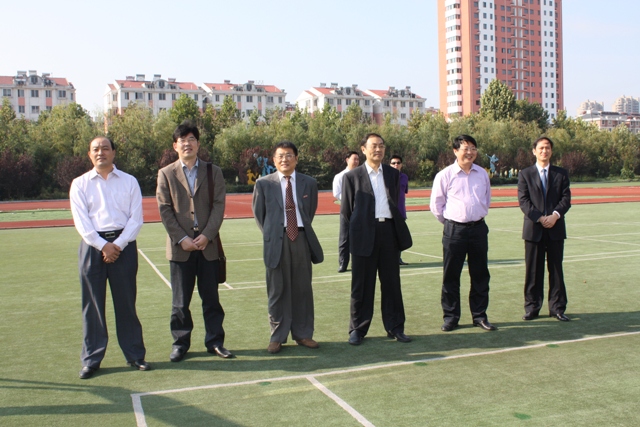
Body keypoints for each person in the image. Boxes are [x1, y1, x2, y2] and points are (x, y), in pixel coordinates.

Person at [70, 136, 149, 379]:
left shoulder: (129, 181)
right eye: (96, 149)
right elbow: (82, 222)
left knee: (126, 303)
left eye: (105, 148)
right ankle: (91, 359)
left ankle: (135, 355)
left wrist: (118, 245)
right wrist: (103, 246)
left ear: (114, 152)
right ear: (89, 154)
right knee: (92, 306)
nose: (100, 152)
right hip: (92, 247)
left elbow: (136, 219)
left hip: (123, 246)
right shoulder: (80, 184)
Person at [156, 121, 233, 362]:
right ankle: (180, 343)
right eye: (182, 140)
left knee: (211, 300)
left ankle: (215, 342)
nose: (187, 143)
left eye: (191, 139)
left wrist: (207, 235)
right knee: (180, 302)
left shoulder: (213, 171)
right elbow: (165, 210)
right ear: (175, 146)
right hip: (181, 249)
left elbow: (219, 206)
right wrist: (181, 238)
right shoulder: (166, 173)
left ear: (198, 144)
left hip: (207, 246)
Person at [252, 141, 324, 354]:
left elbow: (309, 212)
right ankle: (277, 336)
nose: (285, 159)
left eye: (289, 155)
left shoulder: (309, 183)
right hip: (276, 241)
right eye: (280, 156)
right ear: (274, 160)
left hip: (301, 239)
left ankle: (303, 334)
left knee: (302, 289)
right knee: (277, 290)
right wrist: (275, 234)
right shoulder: (263, 184)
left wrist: (297, 230)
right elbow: (260, 216)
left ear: (296, 159)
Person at [341, 133, 413, 345]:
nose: (378, 149)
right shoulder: (352, 177)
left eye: (381, 145)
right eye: (374, 146)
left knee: (392, 283)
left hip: (388, 232)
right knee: (362, 285)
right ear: (363, 149)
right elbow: (346, 213)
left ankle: (395, 327)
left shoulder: (392, 174)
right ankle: (357, 329)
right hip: (363, 234)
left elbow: (394, 203)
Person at [430, 135, 496, 332]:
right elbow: (436, 206)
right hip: (454, 230)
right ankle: (451, 317)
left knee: (480, 274)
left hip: (478, 229)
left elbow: (486, 200)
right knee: (451, 275)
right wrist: (451, 222)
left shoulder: (482, 174)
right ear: (455, 151)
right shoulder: (445, 175)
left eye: (473, 148)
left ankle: (479, 316)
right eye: (465, 148)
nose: (470, 152)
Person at [518, 137, 571, 321]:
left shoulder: (561, 174)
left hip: (555, 228)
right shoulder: (525, 174)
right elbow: (523, 201)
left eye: (547, 148)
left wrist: (555, 215)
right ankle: (532, 307)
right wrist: (540, 218)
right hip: (534, 229)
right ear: (534, 151)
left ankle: (557, 308)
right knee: (533, 271)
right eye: (541, 148)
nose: (544, 151)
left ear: (551, 151)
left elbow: (566, 199)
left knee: (556, 270)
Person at [333, 151, 360, 272]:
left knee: (359, 237)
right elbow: (336, 193)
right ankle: (343, 263)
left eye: (358, 159)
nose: (356, 161)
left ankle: (357, 263)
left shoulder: (361, 175)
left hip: (360, 210)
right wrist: (349, 200)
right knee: (344, 237)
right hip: (346, 209)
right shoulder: (340, 176)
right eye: (354, 159)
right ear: (347, 160)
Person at [390, 154, 409, 265]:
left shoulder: (404, 177)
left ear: (401, 165)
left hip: (401, 211)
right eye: (393, 163)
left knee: (399, 236)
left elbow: (404, 191)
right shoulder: (385, 177)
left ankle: (398, 259)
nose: (396, 165)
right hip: (389, 212)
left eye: (398, 163)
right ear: (390, 164)